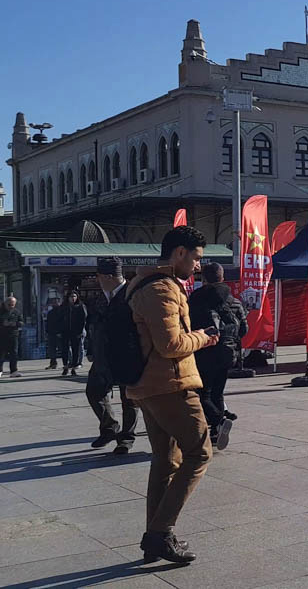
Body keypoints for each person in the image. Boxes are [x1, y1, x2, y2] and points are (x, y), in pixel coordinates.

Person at [127, 225, 219, 564]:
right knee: (199, 453)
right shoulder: (162, 289)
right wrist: (203, 337)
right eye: (196, 258)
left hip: (150, 385)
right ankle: (160, 532)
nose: (198, 266)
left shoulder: (144, 282)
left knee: (166, 461)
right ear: (179, 253)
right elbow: (171, 345)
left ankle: (155, 536)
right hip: (170, 384)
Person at [187, 262, 247, 450]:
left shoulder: (195, 299)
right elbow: (243, 329)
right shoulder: (234, 301)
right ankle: (215, 432)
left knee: (202, 393)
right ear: (222, 278)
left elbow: (188, 327)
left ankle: (218, 422)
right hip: (227, 354)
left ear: (203, 279)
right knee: (217, 393)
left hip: (204, 352)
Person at [85, 257, 139, 454]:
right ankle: (109, 427)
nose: (97, 280)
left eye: (99, 277)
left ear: (108, 276)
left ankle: (126, 438)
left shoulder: (131, 295)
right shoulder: (101, 297)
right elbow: (93, 324)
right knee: (94, 391)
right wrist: (91, 349)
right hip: (102, 356)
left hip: (126, 356)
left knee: (129, 400)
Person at [62, 290, 89, 376]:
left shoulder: (80, 306)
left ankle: (74, 367)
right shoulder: (64, 307)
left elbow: (83, 320)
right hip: (65, 331)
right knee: (65, 349)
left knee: (76, 349)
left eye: (74, 296)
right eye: (71, 297)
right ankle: (65, 366)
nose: (73, 298)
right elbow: (59, 319)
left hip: (76, 332)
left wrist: (80, 331)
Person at [0, 297, 25, 378]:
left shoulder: (16, 312)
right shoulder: (1, 311)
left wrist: (15, 324)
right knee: (1, 353)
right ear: (5, 303)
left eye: (13, 305)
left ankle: (13, 371)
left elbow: (21, 322)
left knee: (14, 353)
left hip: (13, 335)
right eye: (9, 305)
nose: (11, 306)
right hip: (2, 335)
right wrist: (3, 324)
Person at [45, 296, 64, 370]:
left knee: (63, 349)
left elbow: (63, 323)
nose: (54, 304)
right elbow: (48, 323)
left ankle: (69, 362)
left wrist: (60, 332)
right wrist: (47, 332)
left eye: (56, 302)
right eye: (53, 302)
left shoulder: (62, 311)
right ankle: (53, 363)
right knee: (51, 349)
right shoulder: (50, 312)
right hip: (51, 333)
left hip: (59, 333)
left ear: (59, 302)